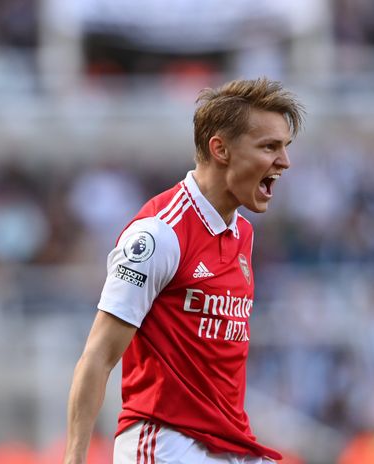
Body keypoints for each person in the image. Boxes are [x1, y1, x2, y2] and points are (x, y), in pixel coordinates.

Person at [64, 78, 305, 464]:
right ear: (220, 149)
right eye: (269, 147)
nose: (284, 161)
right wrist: (74, 459)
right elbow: (97, 356)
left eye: (284, 147)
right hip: (165, 443)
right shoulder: (159, 235)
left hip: (230, 444)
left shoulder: (242, 233)